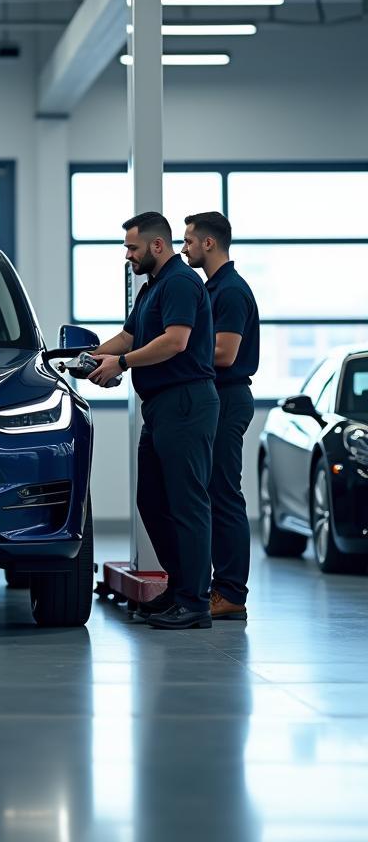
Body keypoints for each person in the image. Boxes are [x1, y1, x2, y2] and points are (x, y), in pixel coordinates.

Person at [87, 212, 219, 629]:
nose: (128, 255)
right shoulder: (153, 289)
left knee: (187, 504)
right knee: (153, 501)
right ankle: (179, 590)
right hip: (162, 406)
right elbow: (129, 336)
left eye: (132, 247)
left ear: (156, 246)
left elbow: (175, 342)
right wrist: (87, 358)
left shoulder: (180, 282)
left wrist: (120, 364)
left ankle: (196, 602)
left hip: (185, 402)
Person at [183, 211, 260, 622]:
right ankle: (220, 586)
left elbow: (225, 353)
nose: (185, 248)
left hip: (228, 398)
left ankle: (231, 593)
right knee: (212, 494)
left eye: (189, 241)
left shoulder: (230, 291)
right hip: (218, 396)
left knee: (225, 494)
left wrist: (177, 351)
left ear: (208, 243)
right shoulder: (212, 288)